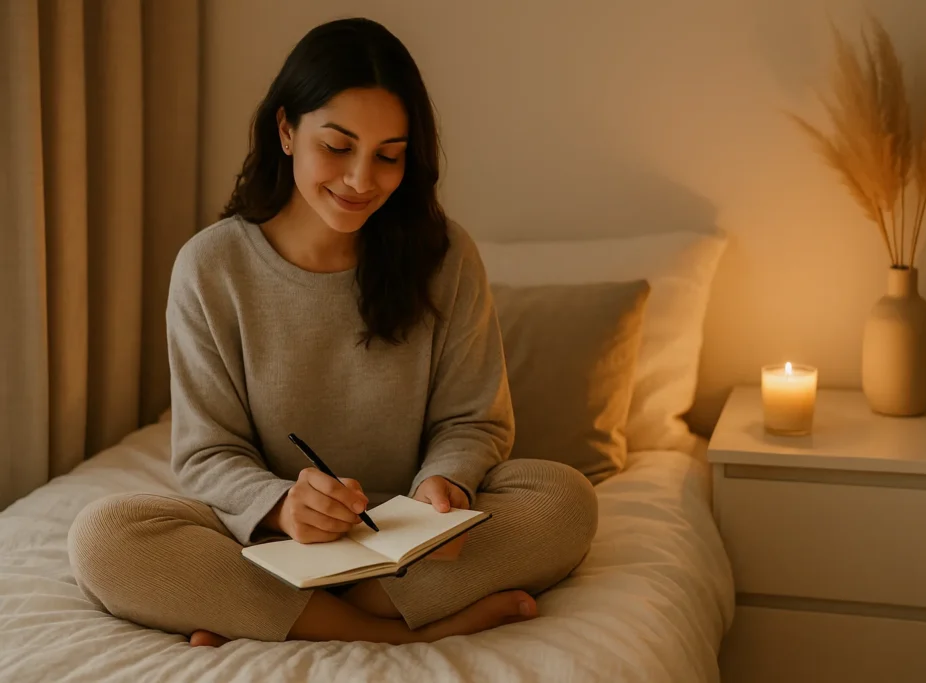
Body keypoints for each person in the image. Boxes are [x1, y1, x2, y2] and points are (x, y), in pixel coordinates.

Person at [66, 17, 597, 647]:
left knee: (563, 498)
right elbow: (207, 452)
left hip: (412, 543)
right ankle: (392, 632)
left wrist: (444, 485)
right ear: (287, 130)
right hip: (273, 544)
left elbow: (474, 420)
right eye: (338, 147)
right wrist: (283, 505)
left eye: (389, 157)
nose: (360, 181)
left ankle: (288, 619)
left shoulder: (446, 256)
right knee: (105, 537)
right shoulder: (212, 267)